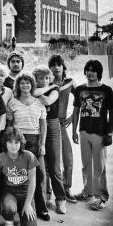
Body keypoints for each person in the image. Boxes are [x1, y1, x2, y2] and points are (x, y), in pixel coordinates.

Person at [72, 59, 113, 210]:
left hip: (100, 133)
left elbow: (112, 113)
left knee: (99, 166)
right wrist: (74, 131)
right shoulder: (79, 90)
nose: (90, 73)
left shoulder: (106, 90)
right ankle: (87, 191)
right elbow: (76, 111)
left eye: (93, 70)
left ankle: (101, 197)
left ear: (99, 73)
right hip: (84, 131)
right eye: (88, 70)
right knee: (85, 164)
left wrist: (110, 132)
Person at [7, 72, 49, 221]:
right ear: (18, 85)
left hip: (35, 140)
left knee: (40, 175)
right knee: (21, 175)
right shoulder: (13, 103)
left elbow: (43, 125)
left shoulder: (39, 102)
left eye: (28, 83)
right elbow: (10, 126)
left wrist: (42, 144)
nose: (25, 85)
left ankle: (42, 208)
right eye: (22, 83)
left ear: (32, 85)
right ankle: (21, 207)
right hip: (19, 141)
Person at [32, 65, 67, 214]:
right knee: (41, 166)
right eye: (41, 78)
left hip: (51, 125)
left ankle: (60, 199)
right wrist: (35, 91)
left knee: (54, 165)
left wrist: (36, 92)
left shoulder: (55, 89)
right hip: (37, 124)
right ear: (36, 79)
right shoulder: (39, 89)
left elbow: (47, 101)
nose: (45, 80)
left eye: (47, 78)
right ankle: (45, 197)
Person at [0, 127, 39, 226]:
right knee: (8, 208)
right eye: (10, 142)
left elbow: (33, 181)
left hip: (25, 192)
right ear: (5, 142)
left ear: (21, 143)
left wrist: (28, 203)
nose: (13, 146)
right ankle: (9, 217)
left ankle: (22, 209)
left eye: (17, 142)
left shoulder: (28, 156)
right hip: (9, 191)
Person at [48, 54, 78, 203]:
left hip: (61, 123)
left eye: (58, 65)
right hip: (48, 123)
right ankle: (48, 191)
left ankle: (67, 187)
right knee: (51, 158)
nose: (56, 68)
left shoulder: (70, 82)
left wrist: (72, 117)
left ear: (63, 66)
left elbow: (81, 99)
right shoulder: (47, 83)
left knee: (68, 157)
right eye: (53, 65)